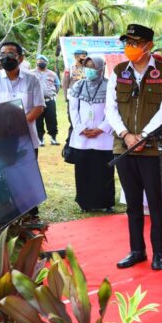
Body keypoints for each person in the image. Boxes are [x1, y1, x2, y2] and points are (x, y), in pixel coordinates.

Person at [105, 24, 162, 271]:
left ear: (148, 46)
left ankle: (161, 253)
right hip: (123, 146)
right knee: (133, 203)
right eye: (128, 43)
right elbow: (110, 108)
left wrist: (144, 135)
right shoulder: (117, 71)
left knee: (157, 205)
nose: (130, 48)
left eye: (135, 43)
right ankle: (137, 250)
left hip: (153, 147)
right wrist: (125, 135)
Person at [0, 41, 45, 216]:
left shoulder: (32, 80)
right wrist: (7, 128)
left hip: (26, 137)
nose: (6, 57)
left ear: (21, 58)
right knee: (4, 175)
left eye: (10, 53)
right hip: (0, 139)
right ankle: (9, 212)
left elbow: (39, 106)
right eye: (2, 54)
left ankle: (31, 212)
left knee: (27, 174)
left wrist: (20, 124)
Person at [68, 56, 115, 212]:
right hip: (82, 137)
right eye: (87, 66)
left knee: (104, 171)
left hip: (103, 137)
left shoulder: (109, 87)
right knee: (83, 170)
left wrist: (101, 128)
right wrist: (80, 128)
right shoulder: (78, 86)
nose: (89, 70)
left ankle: (106, 203)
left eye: (93, 67)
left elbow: (113, 111)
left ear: (101, 69)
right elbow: (73, 109)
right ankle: (85, 202)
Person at [32, 54, 60, 146]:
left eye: (43, 61)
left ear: (47, 63)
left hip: (50, 100)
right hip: (37, 101)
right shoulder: (31, 73)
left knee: (52, 119)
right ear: (36, 62)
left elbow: (57, 85)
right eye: (39, 61)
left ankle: (53, 138)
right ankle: (40, 139)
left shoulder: (52, 74)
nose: (41, 62)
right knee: (38, 120)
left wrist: (52, 93)